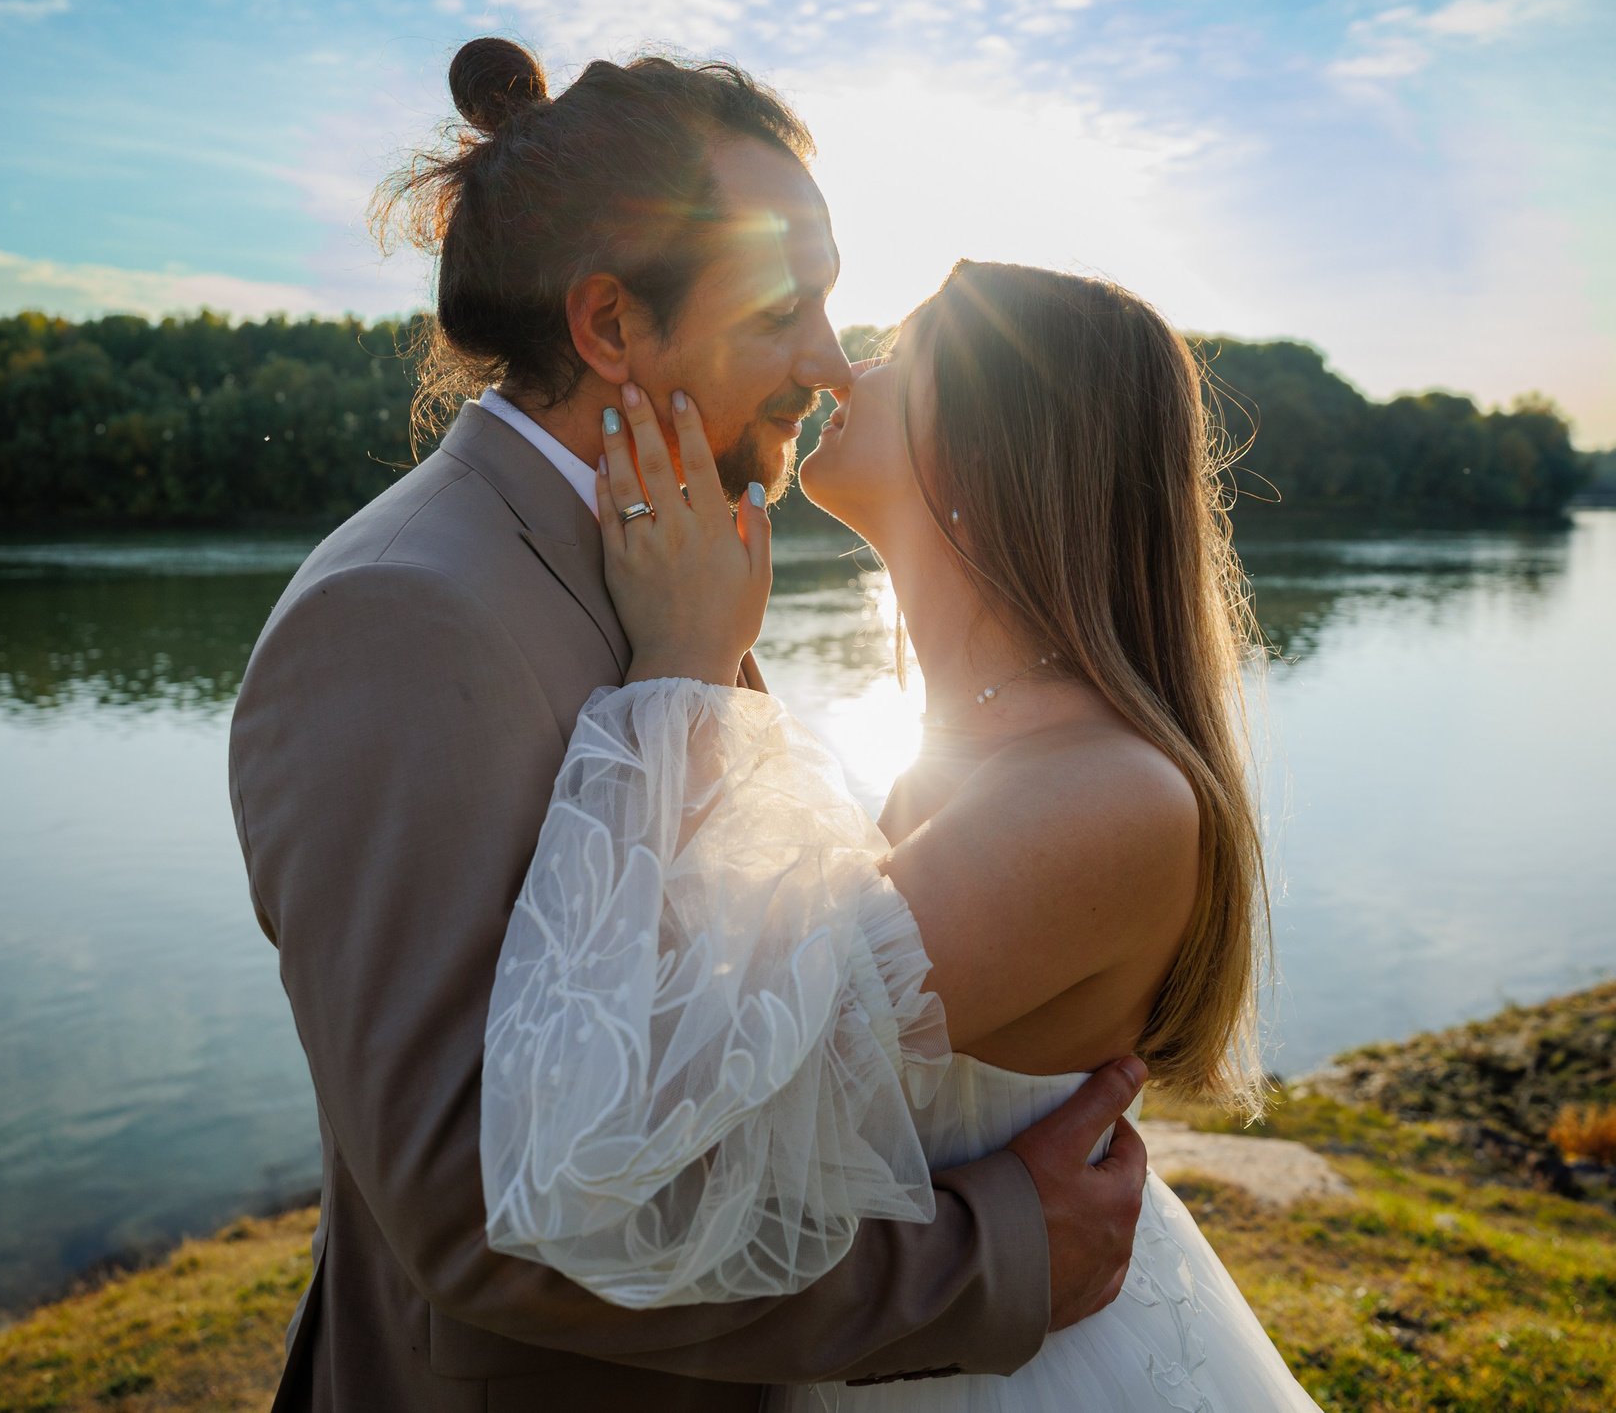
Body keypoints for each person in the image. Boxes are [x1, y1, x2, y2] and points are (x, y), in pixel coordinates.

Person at [229, 38, 1150, 1413]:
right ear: (609, 325)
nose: (831, 362)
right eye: (787, 307)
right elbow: (480, 1209)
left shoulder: (664, 559)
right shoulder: (403, 616)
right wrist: (993, 1255)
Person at [480, 249, 1325, 1410]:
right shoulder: (976, 756)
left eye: (896, 354)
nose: (842, 371)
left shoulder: (1103, 795)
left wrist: (683, 665)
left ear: (1000, 435)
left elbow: (669, 1108)